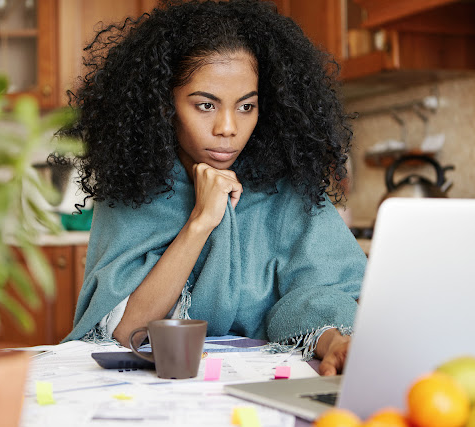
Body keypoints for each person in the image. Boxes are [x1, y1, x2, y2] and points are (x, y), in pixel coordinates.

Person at [61, 0, 367, 376]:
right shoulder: (133, 187)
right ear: (164, 106)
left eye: (246, 106)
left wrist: (337, 343)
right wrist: (202, 220)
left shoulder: (286, 189)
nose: (228, 128)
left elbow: (317, 297)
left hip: (260, 388)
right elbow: (123, 333)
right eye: (206, 105)